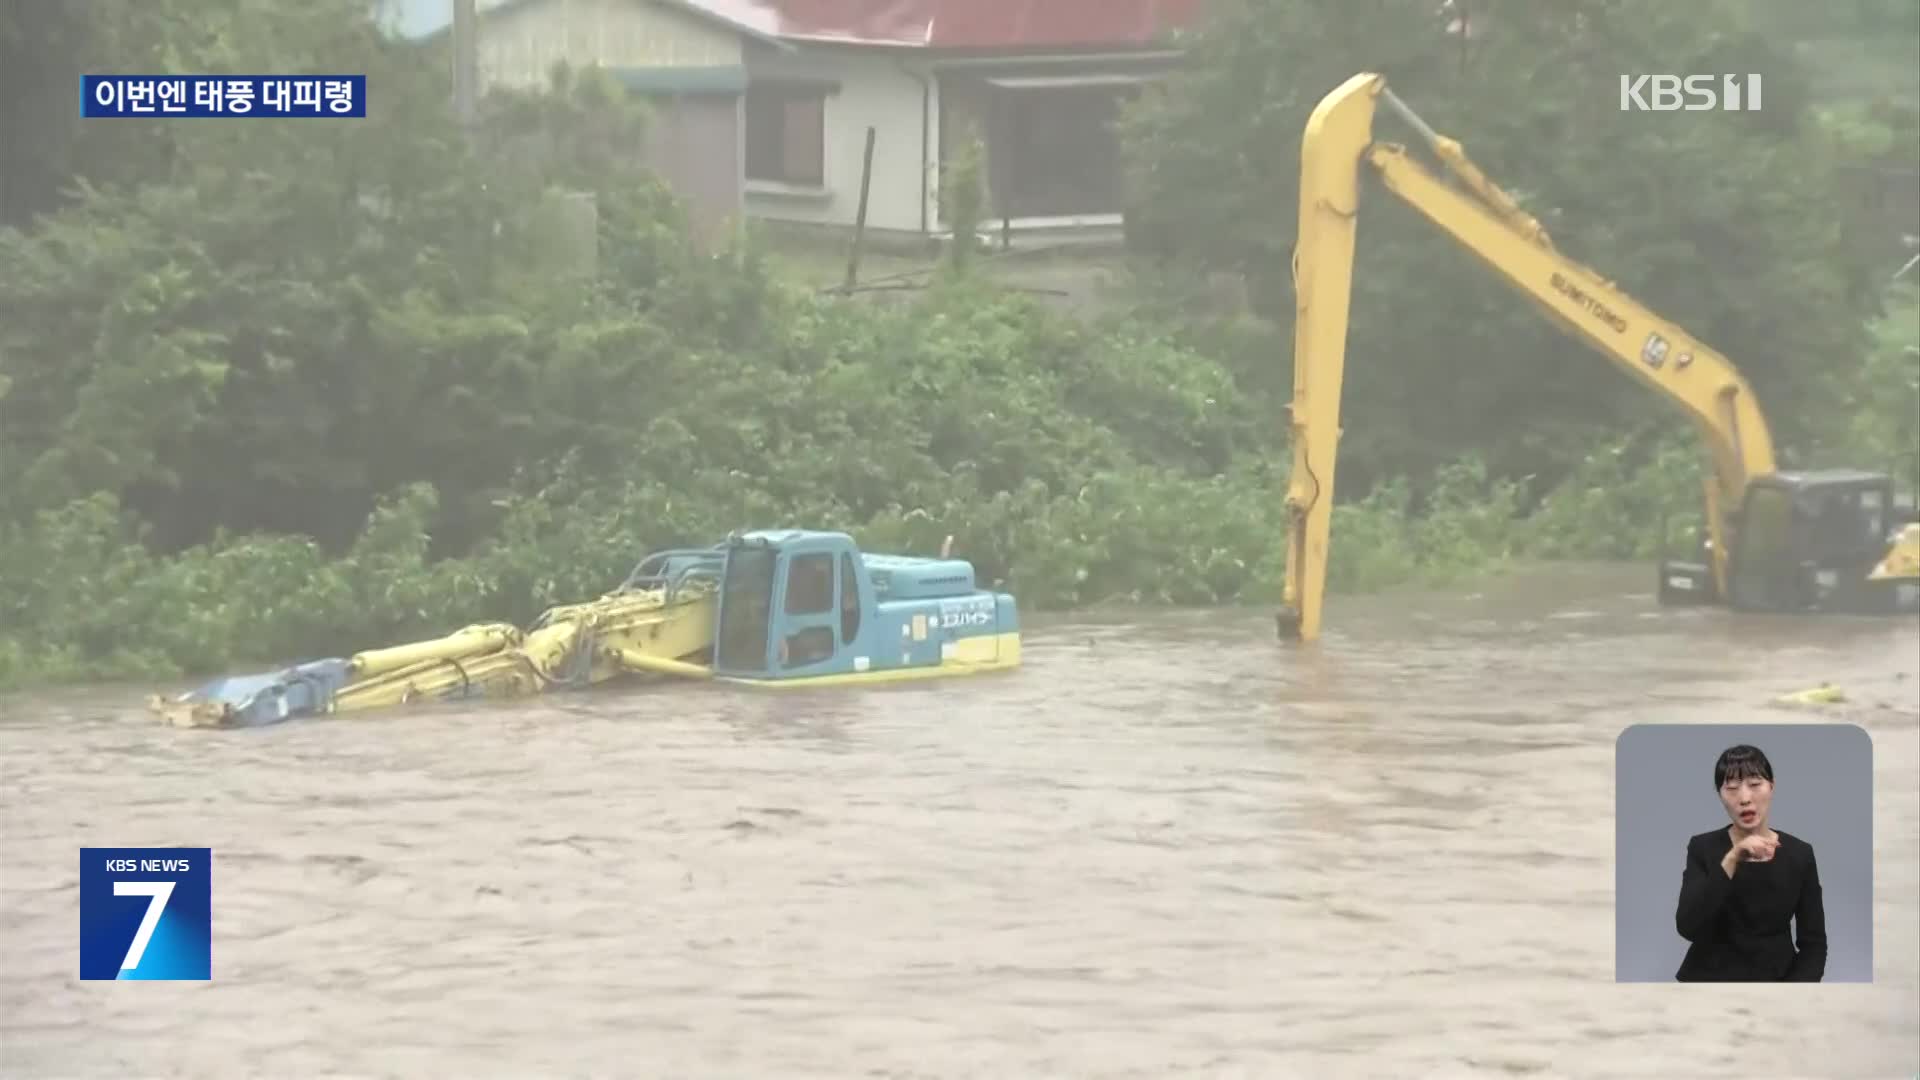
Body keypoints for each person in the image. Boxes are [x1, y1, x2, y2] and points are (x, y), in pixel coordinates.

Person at [1673, 744, 1827, 981]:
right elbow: (1688, 927)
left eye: (1755, 785)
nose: (1744, 798)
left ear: (1771, 787)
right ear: (1720, 795)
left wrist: (1795, 993)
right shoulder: (1702, 847)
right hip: (1707, 983)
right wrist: (1732, 858)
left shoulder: (1800, 853)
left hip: (1775, 984)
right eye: (1731, 788)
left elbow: (1814, 944)